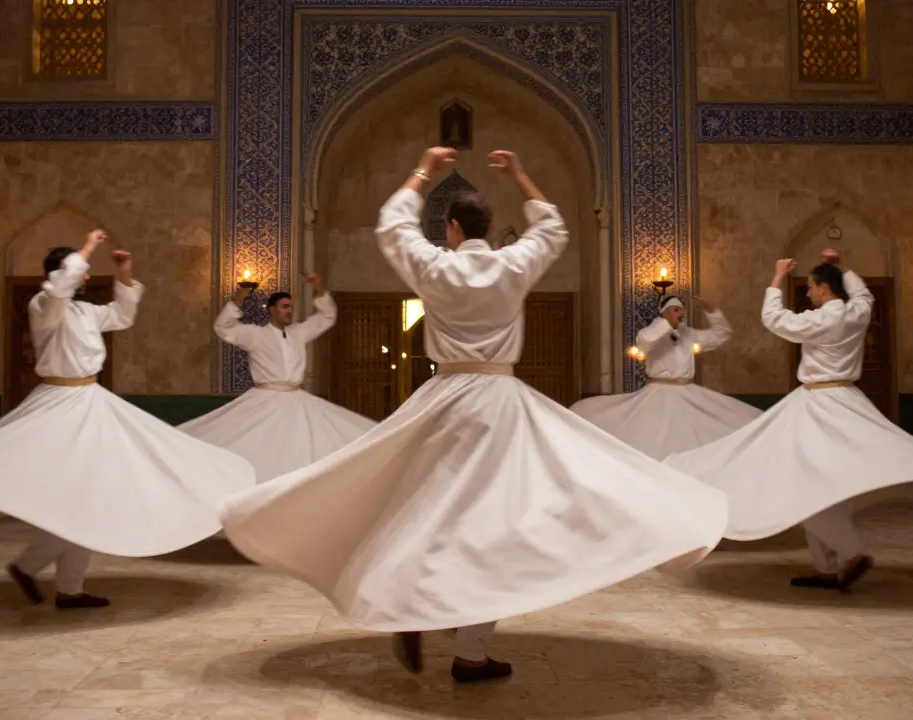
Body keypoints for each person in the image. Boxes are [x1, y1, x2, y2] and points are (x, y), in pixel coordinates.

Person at [218, 147, 727, 683]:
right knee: (497, 519)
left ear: (452, 228)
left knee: (422, 504)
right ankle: (466, 645)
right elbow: (551, 229)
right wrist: (523, 175)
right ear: (484, 227)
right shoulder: (513, 263)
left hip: (443, 396)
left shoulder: (436, 265)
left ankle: (423, 610)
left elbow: (392, 226)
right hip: (499, 398)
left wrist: (422, 169)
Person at [0, 230, 257, 608]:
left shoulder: (86, 311)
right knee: (75, 498)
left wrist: (123, 273)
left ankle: (61, 584)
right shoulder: (43, 306)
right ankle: (42, 573)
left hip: (90, 401)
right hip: (59, 401)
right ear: (58, 272)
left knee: (84, 498)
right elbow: (59, 289)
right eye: (78, 267)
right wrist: (87, 247)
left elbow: (122, 315)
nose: (85, 272)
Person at [666, 252, 913, 592]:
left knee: (805, 488)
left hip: (820, 405)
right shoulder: (855, 313)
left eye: (812, 287)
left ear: (824, 288)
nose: (808, 293)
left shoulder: (822, 320)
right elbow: (864, 295)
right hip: (846, 399)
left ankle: (853, 553)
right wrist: (841, 267)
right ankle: (826, 569)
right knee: (820, 486)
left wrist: (776, 278)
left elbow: (774, 320)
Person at [181, 273, 376, 483]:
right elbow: (223, 327)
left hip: (295, 400)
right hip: (265, 400)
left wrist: (319, 289)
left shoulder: (298, 333)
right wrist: (239, 299)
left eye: (291, 307)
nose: (289, 311)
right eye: (284, 307)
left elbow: (326, 317)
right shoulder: (255, 335)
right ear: (272, 309)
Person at [570, 293, 762, 461]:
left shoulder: (688, 334)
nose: (681, 314)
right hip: (659, 393)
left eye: (681, 310)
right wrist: (667, 324)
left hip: (687, 392)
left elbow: (722, 334)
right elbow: (645, 342)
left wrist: (712, 312)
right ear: (664, 312)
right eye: (675, 310)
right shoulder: (651, 332)